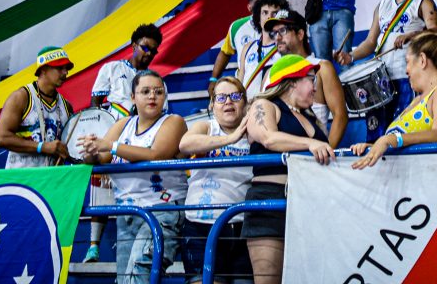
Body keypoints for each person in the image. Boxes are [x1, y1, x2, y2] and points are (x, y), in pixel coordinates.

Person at [80, 70, 188, 284]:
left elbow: (156, 155)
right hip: (127, 212)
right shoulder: (123, 125)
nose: (152, 96)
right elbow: (100, 159)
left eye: (158, 92)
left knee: (138, 273)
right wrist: (90, 151)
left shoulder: (174, 121)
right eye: (145, 91)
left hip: (163, 210)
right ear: (132, 97)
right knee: (126, 280)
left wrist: (111, 146)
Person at [243, 55, 334, 284]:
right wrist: (309, 143)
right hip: (270, 199)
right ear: (292, 81)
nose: (315, 87)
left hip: (309, 202)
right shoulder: (264, 105)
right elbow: (268, 138)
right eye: (311, 79)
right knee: (268, 279)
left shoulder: (310, 117)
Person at [336, 0, 437, 139]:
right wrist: (350, 56)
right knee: (376, 133)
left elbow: (436, 31)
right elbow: (370, 42)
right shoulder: (382, 6)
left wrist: (411, 36)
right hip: (381, 79)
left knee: (403, 130)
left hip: (409, 77)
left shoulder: (423, 1)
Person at [84, 23, 163, 262]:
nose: (149, 53)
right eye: (145, 47)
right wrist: (103, 135)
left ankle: (132, 242)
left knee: (133, 189)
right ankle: (93, 246)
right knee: (101, 187)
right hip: (111, 134)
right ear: (133, 45)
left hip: (138, 138)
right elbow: (95, 105)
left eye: (153, 50)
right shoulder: (111, 68)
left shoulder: (154, 81)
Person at [349, 31, 437, 168]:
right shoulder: (417, 101)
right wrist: (372, 148)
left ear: (422, 60)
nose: (406, 70)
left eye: (407, 62)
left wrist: (390, 139)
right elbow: (401, 142)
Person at [178, 77, 252, 284]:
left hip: (243, 228)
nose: (228, 101)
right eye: (221, 98)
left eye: (235, 96)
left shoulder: (254, 132)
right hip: (200, 227)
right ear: (212, 104)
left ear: (245, 102)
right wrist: (231, 138)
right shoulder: (206, 127)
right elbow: (185, 144)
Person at [261, 11, 348, 146]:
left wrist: (326, 151)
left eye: (283, 31)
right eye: (274, 33)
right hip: (276, 153)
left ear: (300, 34)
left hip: (314, 153)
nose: (277, 38)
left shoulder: (322, 68)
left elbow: (340, 116)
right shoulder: (269, 73)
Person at [0, 46, 75, 168]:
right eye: (60, 68)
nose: (65, 72)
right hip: (21, 178)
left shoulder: (66, 106)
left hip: (53, 178)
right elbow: (2, 137)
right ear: (43, 70)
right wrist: (42, 147)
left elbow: (70, 147)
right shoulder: (21, 97)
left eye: (66, 68)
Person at [208, 0, 269, 94]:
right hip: (246, 87)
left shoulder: (279, 27)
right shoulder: (237, 27)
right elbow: (225, 53)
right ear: (249, 7)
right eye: (257, 2)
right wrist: (214, 79)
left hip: (272, 86)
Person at [237, 0, 288, 99]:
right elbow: (240, 84)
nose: (269, 17)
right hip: (247, 106)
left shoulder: (285, 48)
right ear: (258, 17)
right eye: (265, 12)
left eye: (274, 13)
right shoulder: (248, 48)